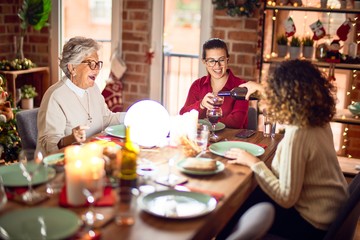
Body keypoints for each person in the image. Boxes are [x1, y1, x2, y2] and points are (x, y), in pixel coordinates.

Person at [219, 60, 348, 240]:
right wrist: (260, 88)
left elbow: (286, 197)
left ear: (284, 97)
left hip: (314, 224)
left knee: (236, 210)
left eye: (274, 92)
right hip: (332, 211)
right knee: (252, 198)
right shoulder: (317, 119)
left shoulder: (298, 134)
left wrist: (254, 162)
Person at [36, 36, 125, 155]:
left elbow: (106, 118)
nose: (97, 70)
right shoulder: (55, 96)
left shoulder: (93, 88)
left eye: (98, 64)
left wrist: (133, 116)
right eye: (92, 64)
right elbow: (49, 145)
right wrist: (71, 138)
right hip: (64, 164)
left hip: (91, 156)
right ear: (72, 68)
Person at [179, 38, 249, 129]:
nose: (217, 66)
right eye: (212, 61)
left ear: (227, 60)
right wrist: (201, 105)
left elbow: (236, 122)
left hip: (232, 141)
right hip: (203, 140)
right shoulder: (197, 85)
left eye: (221, 60)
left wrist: (205, 124)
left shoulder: (241, 86)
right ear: (205, 62)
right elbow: (183, 115)